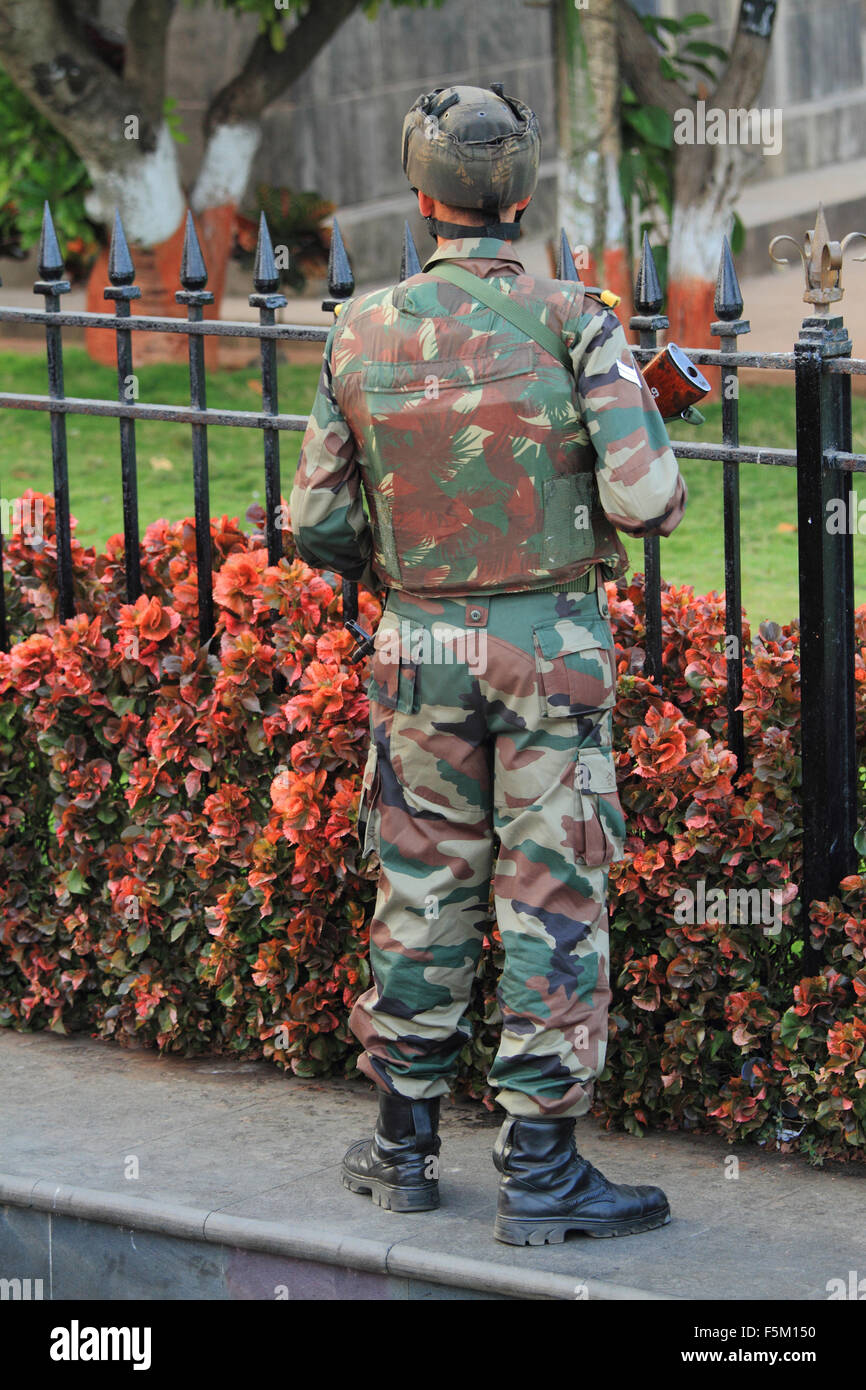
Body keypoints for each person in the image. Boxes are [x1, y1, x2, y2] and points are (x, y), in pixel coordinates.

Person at [290, 83, 686, 1246]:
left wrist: (411, 575)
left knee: (420, 878)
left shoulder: (357, 327)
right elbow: (648, 497)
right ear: (518, 194)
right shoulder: (575, 317)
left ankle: (402, 1143)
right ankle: (543, 1171)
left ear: (423, 195)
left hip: (420, 644)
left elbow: (312, 520)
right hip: (548, 651)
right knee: (549, 888)